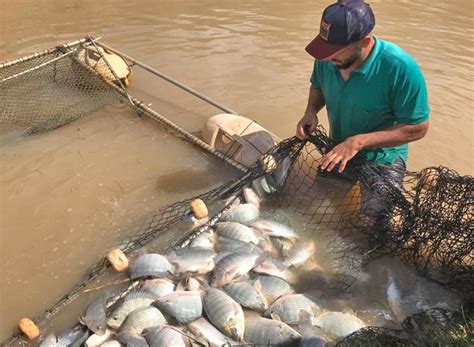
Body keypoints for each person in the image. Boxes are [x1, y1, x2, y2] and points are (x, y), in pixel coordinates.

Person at [296, 0, 430, 221]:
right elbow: (318, 85)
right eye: (325, 49)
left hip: (383, 157)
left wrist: (358, 142)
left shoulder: (401, 68)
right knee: (317, 206)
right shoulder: (326, 58)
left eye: (335, 51)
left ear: (364, 41)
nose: (328, 57)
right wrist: (311, 111)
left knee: (375, 222)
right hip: (339, 147)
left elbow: (418, 128)